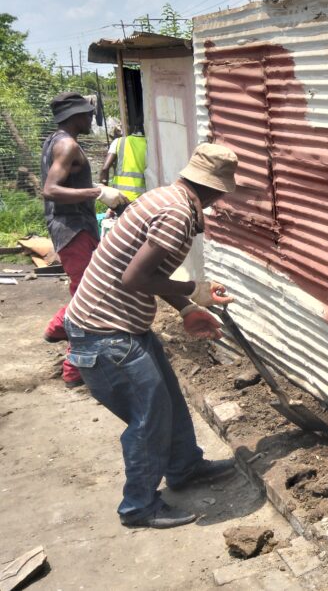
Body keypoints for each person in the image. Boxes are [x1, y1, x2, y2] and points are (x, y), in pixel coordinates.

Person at [64, 143, 240, 529]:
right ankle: (138, 506)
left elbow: (147, 272)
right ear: (217, 191)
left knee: (169, 400)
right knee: (150, 416)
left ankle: (184, 468)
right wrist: (194, 290)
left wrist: (187, 309)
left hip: (119, 325)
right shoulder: (176, 214)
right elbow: (135, 277)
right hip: (104, 331)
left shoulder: (166, 197)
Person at [41, 92, 129, 387]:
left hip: (75, 226)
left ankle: (59, 326)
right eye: (88, 114)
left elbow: (68, 183)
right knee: (88, 298)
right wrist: (97, 192)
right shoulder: (67, 145)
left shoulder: (56, 140)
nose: (92, 118)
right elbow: (51, 190)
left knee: (90, 290)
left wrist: (96, 192)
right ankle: (73, 368)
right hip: (73, 229)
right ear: (75, 116)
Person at [100, 124, 147, 202]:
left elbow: (105, 168)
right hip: (141, 198)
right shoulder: (149, 144)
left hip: (119, 198)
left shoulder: (118, 142)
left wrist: (104, 192)